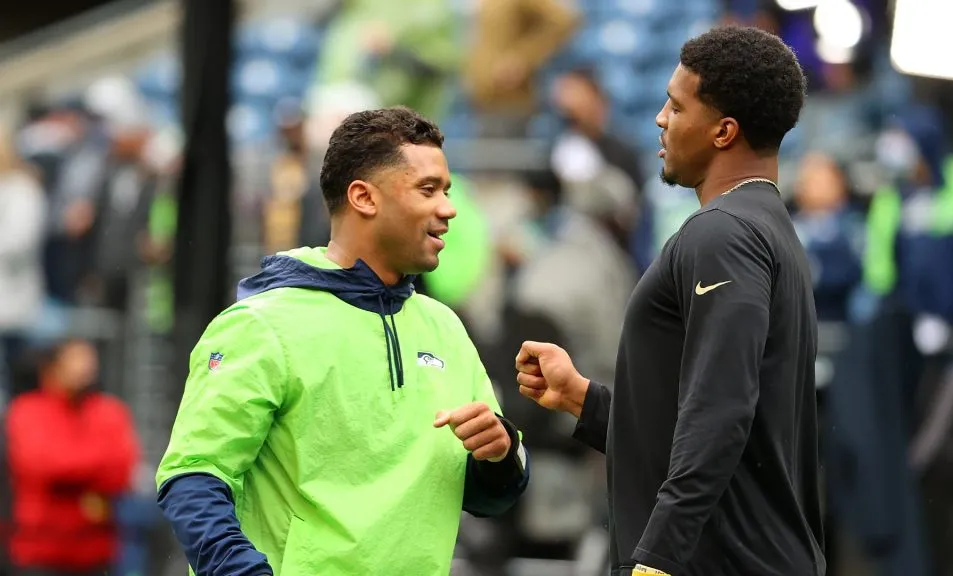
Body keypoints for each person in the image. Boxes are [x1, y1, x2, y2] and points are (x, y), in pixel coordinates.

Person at [156, 106, 529, 575]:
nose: (448, 208)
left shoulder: (446, 328)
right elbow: (192, 476)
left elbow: (486, 497)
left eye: (447, 191)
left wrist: (499, 454)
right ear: (363, 198)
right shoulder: (262, 324)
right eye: (428, 189)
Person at [516, 26, 825, 576]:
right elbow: (698, 426)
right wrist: (582, 400)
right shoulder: (767, 229)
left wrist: (656, 561)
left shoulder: (724, 234)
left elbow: (721, 411)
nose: (660, 118)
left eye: (677, 106)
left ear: (723, 131)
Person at [5, 338, 139, 576]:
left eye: (89, 360)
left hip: (96, 553)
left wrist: (69, 465)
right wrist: (95, 465)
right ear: (52, 367)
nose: (85, 368)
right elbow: (41, 467)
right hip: (39, 553)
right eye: (75, 360)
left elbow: (121, 471)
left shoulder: (110, 412)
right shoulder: (27, 411)